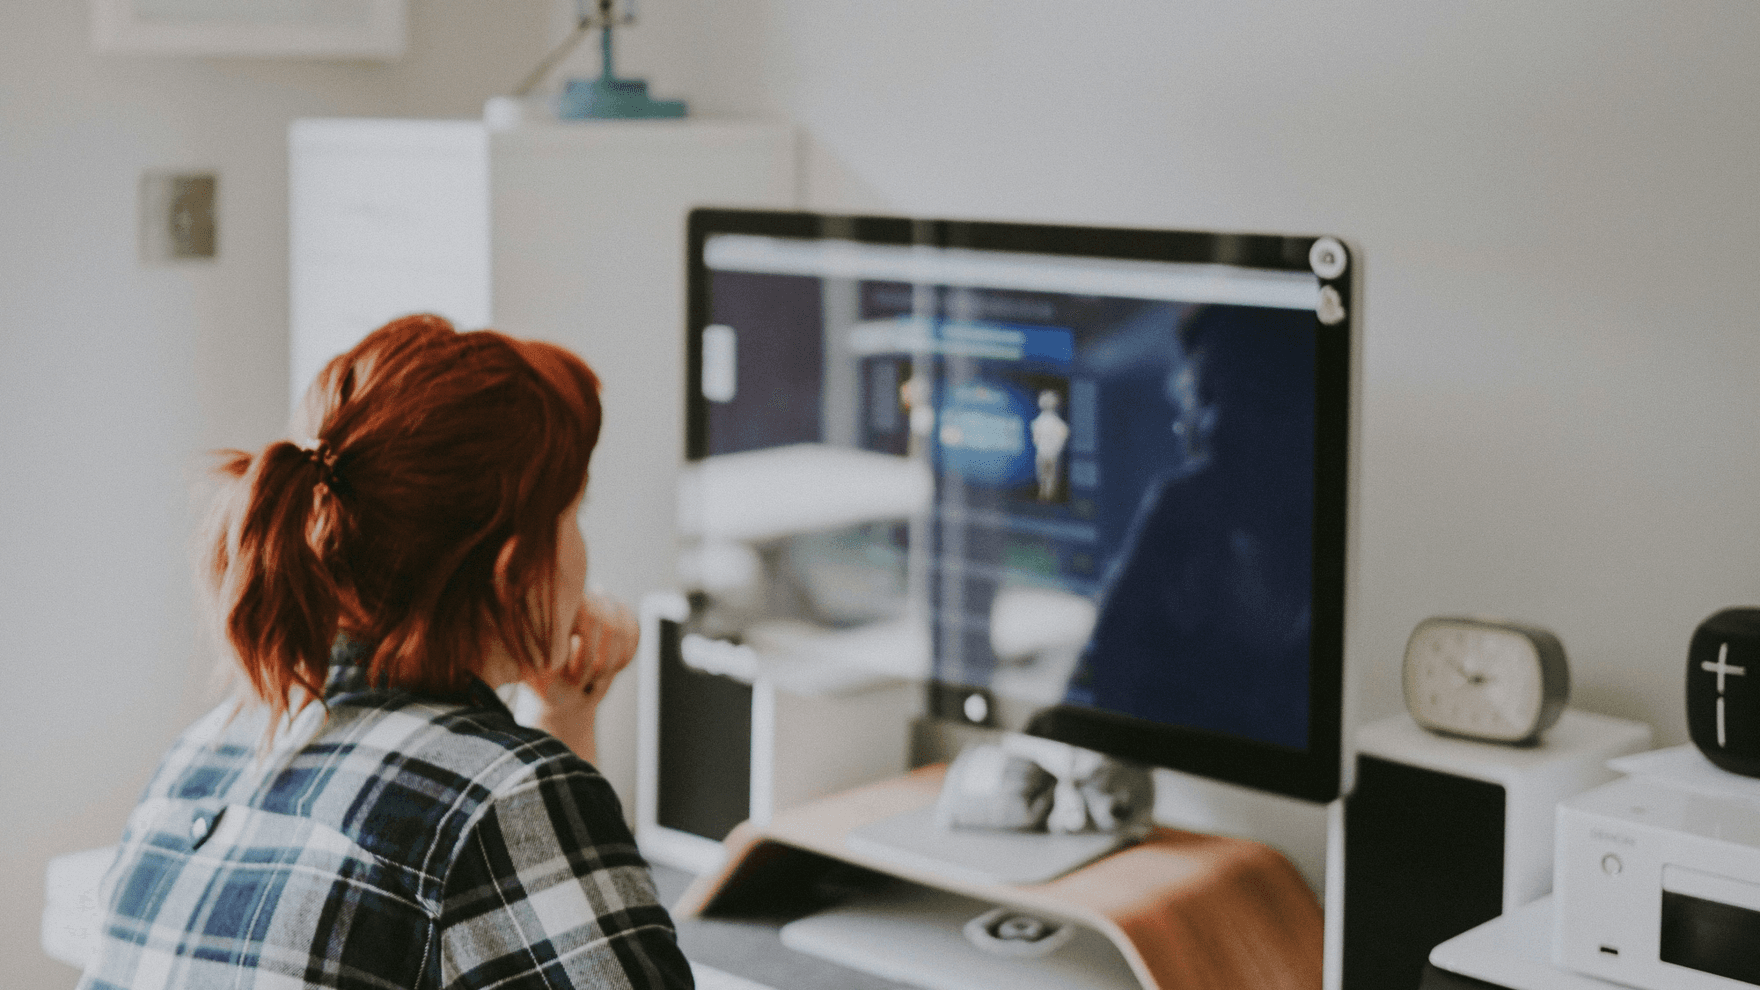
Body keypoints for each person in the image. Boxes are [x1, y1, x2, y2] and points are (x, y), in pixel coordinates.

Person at [78, 315, 694, 990]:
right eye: (574, 512)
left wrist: (562, 710)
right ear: (517, 569)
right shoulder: (499, 798)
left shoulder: (200, 757)